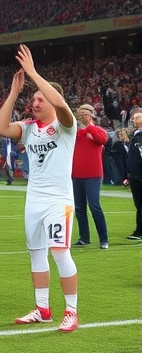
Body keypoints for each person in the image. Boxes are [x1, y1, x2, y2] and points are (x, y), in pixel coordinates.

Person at [0, 45, 79, 333]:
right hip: (34, 200)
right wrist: (15, 93)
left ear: (55, 102)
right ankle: (42, 308)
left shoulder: (67, 125)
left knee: (60, 252)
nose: (36, 103)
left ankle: (71, 310)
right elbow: (1, 127)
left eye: (40, 98)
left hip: (59, 201)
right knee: (36, 253)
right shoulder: (29, 127)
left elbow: (63, 107)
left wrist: (33, 73)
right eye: (33, 99)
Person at [71, 104, 109, 249]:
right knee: (79, 208)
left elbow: (102, 140)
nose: (82, 117)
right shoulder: (75, 133)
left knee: (94, 206)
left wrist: (90, 125)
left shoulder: (97, 131)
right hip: (76, 175)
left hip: (93, 175)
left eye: (85, 114)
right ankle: (84, 238)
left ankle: (104, 239)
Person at [124, 111, 142, 240]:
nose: (133, 121)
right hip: (135, 174)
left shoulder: (138, 137)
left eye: (136, 119)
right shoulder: (136, 136)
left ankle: (139, 231)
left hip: (138, 175)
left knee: (140, 203)